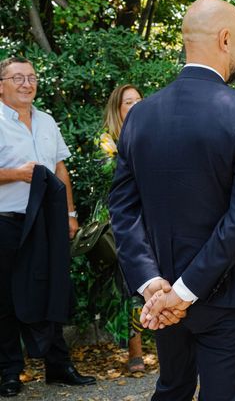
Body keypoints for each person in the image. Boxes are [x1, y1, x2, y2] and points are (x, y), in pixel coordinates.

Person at [109, 0, 235, 401]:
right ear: (225, 38)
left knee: (173, 390)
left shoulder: (141, 115)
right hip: (225, 297)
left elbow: (123, 210)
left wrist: (152, 285)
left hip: (161, 293)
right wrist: (184, 291)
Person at [0, 57, 96, 397]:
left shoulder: (47, 120)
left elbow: (59, 170)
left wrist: (70, 215)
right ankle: (10, 372)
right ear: (1, 84)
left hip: (46, 223)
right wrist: (16, 174)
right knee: (6, 299)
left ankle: (58, 366)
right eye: (18, 78)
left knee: (53, 289)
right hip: (6, 223)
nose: (27, 83)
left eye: (31, 77)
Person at [99, 84, 145, 373]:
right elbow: (109, 174)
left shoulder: (149, 132)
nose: (135, 105)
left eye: (139, 100)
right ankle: (135, 352)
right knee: (129, 287)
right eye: (129, 102)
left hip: (151, 218)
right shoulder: (107, 140)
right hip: (120, 224)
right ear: (117, 108)